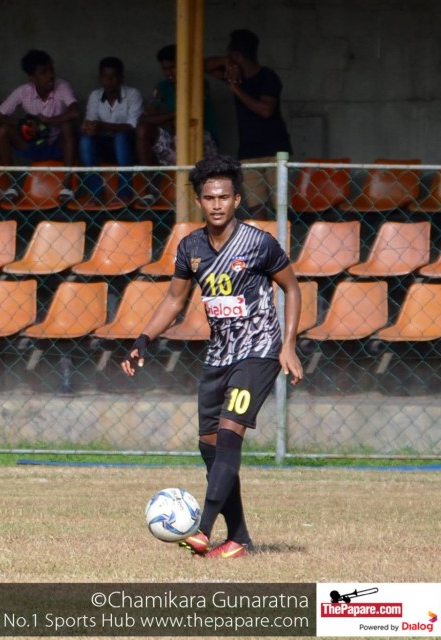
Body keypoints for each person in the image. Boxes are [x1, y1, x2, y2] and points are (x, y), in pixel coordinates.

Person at [121, 155, 303, 559]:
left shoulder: (259, 244)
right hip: (218, 355)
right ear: (199, 202)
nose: (217, 204)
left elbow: (292, 288)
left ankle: (201, 529)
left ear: (236, 199)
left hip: (259, 352)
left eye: (224, 196)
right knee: (209, 446)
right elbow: (173, 299)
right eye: (209, 197)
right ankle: (239, 538)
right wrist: (143, 338)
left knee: (228, 434)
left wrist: (287, 344)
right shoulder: (191, 247)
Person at [204, 29, 292, 214]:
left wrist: (236, 90)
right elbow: (200, 66)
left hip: (274, 150)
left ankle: (281, 243)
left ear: (237, 55)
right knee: (256, 207)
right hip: (248, 152)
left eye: (230, 55)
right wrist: (226, 62)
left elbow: (265, 110)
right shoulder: (235, 74)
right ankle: (261, 244)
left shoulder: (267, 76)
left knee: (281, 208)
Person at [0, 49, 80, 199]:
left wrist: (47, 120)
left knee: (67, 125)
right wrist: (23, 123)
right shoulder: (23, 91)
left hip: (57, 145)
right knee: (2, 130)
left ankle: (66, 186)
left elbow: (76, 112)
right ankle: (11, 185)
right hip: (32, 143)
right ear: (32, 78)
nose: (50, 75)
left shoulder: (62, 86)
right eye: (43, 72)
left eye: (51, 70)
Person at [136, 44, 219, 168]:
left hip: (202, 142)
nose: (168, 72)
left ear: (183, 65)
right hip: (177, 143)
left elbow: (190, 116)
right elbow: (145, 119)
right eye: (165, 68)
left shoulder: (199, 83)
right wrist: (175, 114)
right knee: (143, 129)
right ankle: (150, 183)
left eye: (172, 67)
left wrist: (176, 116)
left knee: (189, 128)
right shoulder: (162, 87)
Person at [78, 56, 143, 202]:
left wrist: (101, 125)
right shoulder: (95, 95)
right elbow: (91, 121)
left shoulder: (132, 94)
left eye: (114, 76)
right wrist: (89, 128)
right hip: (105, 146)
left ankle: (124, 194)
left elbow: (132, 126)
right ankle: (96, 194)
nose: (109, 80)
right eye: (105, 76)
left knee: (121, 137)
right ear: (100, 78)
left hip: (129, 147)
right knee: (85, 140)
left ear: (121, 78)